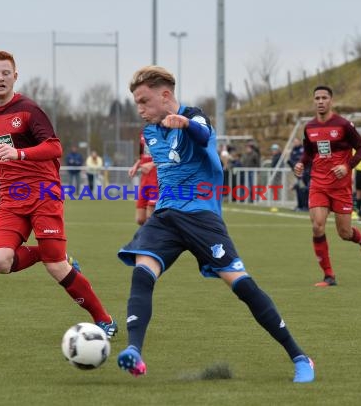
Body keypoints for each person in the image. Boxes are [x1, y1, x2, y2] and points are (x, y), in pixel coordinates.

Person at [116, 65, 315, 383]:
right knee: (142, 271)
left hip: (201, 217)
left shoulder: (195, 117)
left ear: (165, 95)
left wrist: (185, 125)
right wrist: (147, 162)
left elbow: (202, 135)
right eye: (136, 103)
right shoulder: (150, 132)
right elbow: (174, 158)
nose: (139, 109)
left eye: (144, 101)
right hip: (165, 216)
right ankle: (134, 352)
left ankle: (300, 357)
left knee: (241, 285)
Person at [0, 50, 117, 337]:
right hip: (13, 199)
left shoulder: (30, 110)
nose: (0, 78)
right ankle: (47, 253)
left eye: (6, 72)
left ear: (15, 76)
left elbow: (54, 148)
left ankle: (104, 319)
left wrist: (19, 154)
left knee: (57, 268)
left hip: (43, 193)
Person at [294, 86, 361, 288]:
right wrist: (301, 163)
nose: (320, 101)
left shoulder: (343, 125)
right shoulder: (310, 127)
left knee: (345, 233)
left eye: (324, 97)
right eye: (317, 98)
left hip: (340, 187)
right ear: (313, 101)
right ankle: (329, 276)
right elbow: (308, 153)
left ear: (331, 100)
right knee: (317, 226)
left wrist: (347, 166)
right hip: (318, 184)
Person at [128, 131, 158, 225]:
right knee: (140, 219)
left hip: (157, 178)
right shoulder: (144, 133)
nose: (143, 115)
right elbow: (142, 155)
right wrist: (136, 166)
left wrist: (153, 164)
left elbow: (171, 156)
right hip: (145, 179)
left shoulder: (165, 131)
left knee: (151, 216)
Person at [287, 137, 310, 211]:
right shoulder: (293, 150)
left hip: (305, 173)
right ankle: (300, 205)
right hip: (298, 174)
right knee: (299, 188)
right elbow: (291, 161)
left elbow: (304, 161)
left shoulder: (303, 149)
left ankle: (306, 206)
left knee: (305, 189)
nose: (295, 143)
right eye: (294, 142)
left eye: (296, 141)